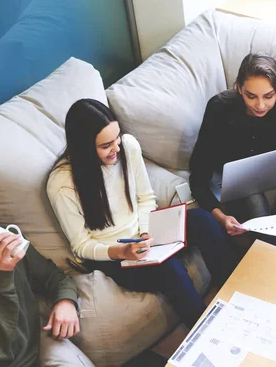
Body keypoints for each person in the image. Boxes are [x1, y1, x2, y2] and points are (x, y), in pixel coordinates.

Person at [47, 99, 237, 331]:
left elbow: (145, 198)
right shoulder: (62, 185)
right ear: (84, 147)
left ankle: (237, 295)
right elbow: (81, 245)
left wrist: (147, 230)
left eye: (117, 138)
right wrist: (120, 251)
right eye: (106, 145)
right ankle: (207, 333)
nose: (116, 148)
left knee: (203, 221)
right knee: (170, 268)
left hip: (146, 233)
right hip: (114, 255)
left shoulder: (127, 147)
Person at [189, 52, 276, 249]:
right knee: (255, 201)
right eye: (251, 96)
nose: (261, 105)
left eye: (268, 96)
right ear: (239, 88)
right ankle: (273, 251)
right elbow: (197, 177)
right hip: (232, 175)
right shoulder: (218, 109)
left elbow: (269, 136)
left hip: (262, 163)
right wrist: (220, 217)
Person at [0, 200, 89, 367]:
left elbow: (56, 277)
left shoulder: (8, 243)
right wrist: (0, 279)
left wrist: (66, 301)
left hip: (37, 349)